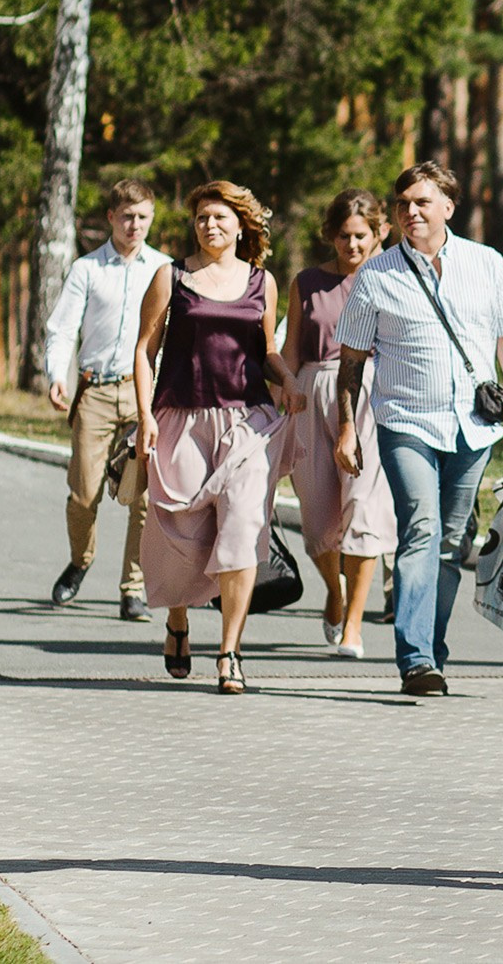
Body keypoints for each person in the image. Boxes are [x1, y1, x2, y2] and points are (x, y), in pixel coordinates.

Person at [333, 162, 503, 697]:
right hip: (405, 422)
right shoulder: (376, 277)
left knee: (454, 541)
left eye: (422, 202)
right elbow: (351, 362)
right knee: (422, 528)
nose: (411, 212)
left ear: (449, 207)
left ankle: (433, 647)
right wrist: (345, 428)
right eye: (403, 204)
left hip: (473, 428)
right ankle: (416, 657)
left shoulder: (487, 265)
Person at [133, 181, 300, 695]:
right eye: (202, 218)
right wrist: (145, 416)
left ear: (240, 224)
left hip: (246, 421)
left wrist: (287, 378)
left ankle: (230, 651)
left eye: (220, 218)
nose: (210, 226)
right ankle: (178, 622)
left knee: (244, 526)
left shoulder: (262, 282)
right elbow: (143, 351)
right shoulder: (172, 276)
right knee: (179, 529)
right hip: (180, 417)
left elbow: (267, 348)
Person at [271, 189, 395, 658]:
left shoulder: (392, 276)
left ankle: (355, 626)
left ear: (380, 231)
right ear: (331, 236)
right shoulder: (306, 282)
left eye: (361, 235)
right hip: (313, 394)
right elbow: (291, 347)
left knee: (363, 512)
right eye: (344, 236)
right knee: (319, 518)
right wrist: (283, 388)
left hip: (374, 397)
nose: (353, 245)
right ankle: (335, 592)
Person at [43, 179, 170, 621]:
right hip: (95, 391)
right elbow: (62, 327)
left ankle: (132, 587)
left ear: (152, 218)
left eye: (143, 217)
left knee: (142, 498)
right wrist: (57, 374)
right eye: (127, 216)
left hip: (144, 395)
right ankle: (81, 560)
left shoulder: (165, 270)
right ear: (112, 218)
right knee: (84, 493)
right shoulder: (87, 269)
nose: (135, 225)